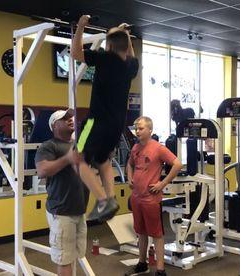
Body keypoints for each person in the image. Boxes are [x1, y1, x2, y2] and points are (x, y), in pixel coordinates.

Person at [70, 15, 140, 221]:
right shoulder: (130, 67)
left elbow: (75, 53)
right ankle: (110, 197)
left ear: (108, 45)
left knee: (77, 158)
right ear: (126, 47)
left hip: (94, 123)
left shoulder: (103, 58)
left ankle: (102, 200)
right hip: (117, 127)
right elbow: (130, 55)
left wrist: (81, 26)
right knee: (103, 160)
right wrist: (125, 33)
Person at [125, 116, 182, 276]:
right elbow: (130, 164)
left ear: (150, 130)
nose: (137, 131)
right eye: (136, 128)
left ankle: (160, 270)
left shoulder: (158, 148)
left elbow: (178, 164)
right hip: (136, 197)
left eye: (141, 128)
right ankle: (142, 263)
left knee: (156, 234)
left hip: (151, 199)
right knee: (141, 232)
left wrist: (162, 184)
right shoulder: (135, 148)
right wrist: (129, 177)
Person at [35, 109, 89, 276]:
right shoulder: (49, 146)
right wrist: (67, 159)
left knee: (74, 255)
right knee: (64, 259)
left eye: (70, 117)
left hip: (79, 210)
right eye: (64, 118)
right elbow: (42, 170)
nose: (70, 120)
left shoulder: (78, 145)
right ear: (54, 125)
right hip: (62, 211)